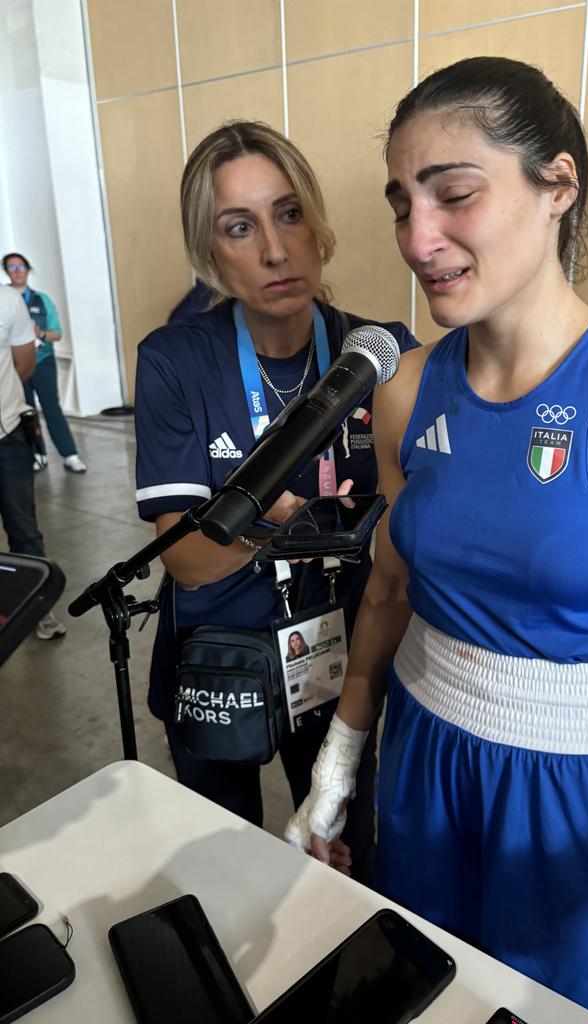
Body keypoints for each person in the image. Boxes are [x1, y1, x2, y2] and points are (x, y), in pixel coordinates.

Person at [285, 58, 588, 1024]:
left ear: (558, 186)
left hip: (576, 812)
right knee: (419, 1000)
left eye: (455, 195)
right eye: (401, 204)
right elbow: (389, 590)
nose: (419, 240)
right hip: (423, 771)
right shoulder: (407, 392)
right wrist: (340, 762)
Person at [134, 121, 418, 884]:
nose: (273, 248)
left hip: (342, 662)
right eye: (239, 226)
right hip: (218, 656)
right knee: (224, 868)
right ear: (209, 252)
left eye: (289, 213)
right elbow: (188, 559)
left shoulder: (381, 351)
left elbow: (410, 539)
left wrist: (282, 529)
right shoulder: (176, 359)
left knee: (343, 868)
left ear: (318, 225)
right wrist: (309, 527)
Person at [0, 285, 67, 639]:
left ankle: (37, 610)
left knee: (23, 527)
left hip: (8, 434)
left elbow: (23, 366)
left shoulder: (9, 302)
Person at [2, 253, 86, 473]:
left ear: (28, 269)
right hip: (14, 365)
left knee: (51, 408)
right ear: (6, 272)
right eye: (12, 267)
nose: (17, 271)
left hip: (43, 361)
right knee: (26, 412)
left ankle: (70, 454)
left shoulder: (42, 300)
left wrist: (40, 332)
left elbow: (57, 333)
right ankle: (37, 454)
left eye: (21, 266)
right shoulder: (6, 299)